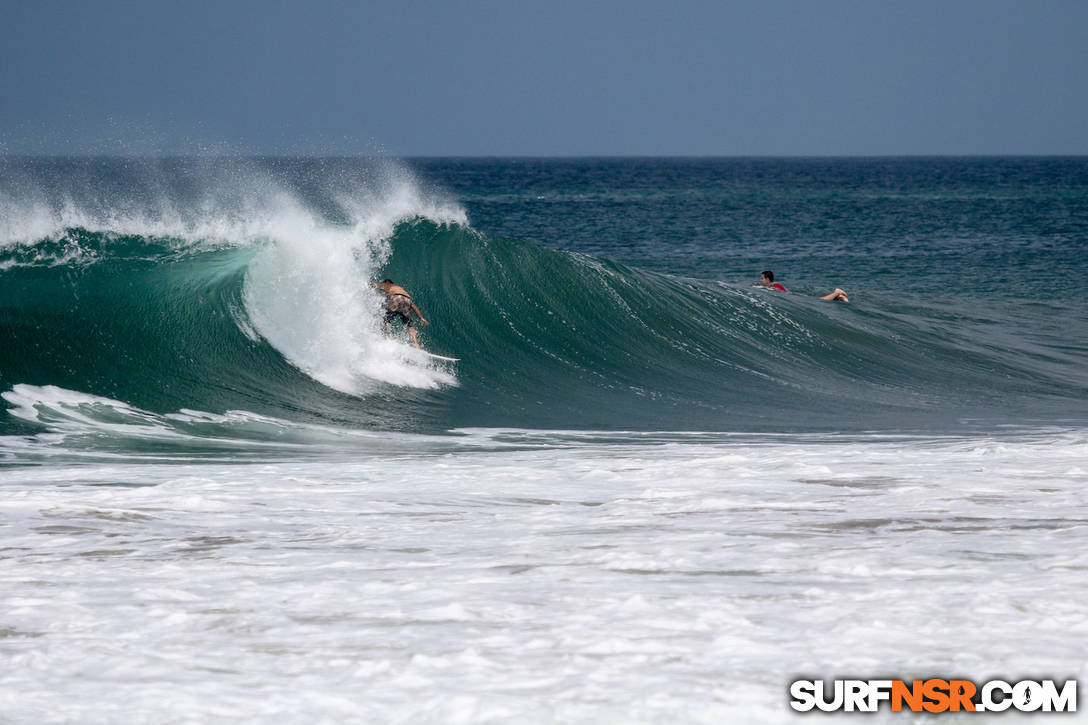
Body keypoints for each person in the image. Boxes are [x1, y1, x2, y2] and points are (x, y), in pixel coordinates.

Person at [374, 279, 429, 349]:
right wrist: (421, 317)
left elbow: (374, 284)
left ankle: (383, 338)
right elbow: (413, 306)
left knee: (384, 321)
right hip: (407, 300)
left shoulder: (387, 285)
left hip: (397, 298)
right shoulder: (399, 289)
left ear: (387, 282)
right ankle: (416, 345)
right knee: (409, 326)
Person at [760, 270, 849, 302]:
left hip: (794, 296)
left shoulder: (774, 285)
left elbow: (780, 292)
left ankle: (837, 292)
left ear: (767, 279)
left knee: (820, 300)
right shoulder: (774, 285)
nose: (761, 280)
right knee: (820, 300)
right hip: (794, 295)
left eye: (762, 278)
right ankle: (839, 297)